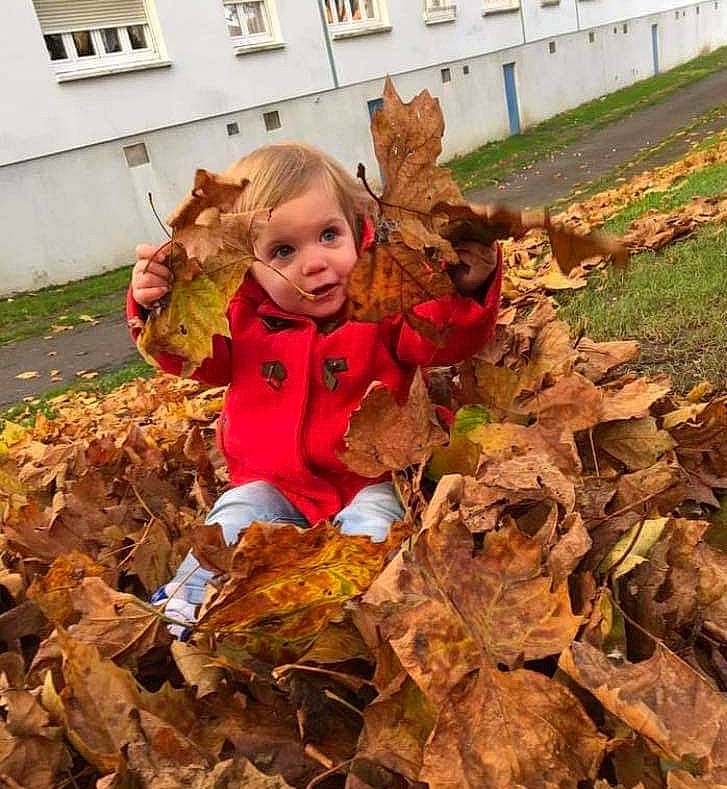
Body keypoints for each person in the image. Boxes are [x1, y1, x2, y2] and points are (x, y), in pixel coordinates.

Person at [127, 142, 502, 637]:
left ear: (356, 228)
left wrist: (461, 288)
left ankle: (349, 620)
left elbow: (443, 340)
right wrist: (157, 305)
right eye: (283, 251)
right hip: (272, 482)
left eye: (329, 235)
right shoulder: (241, 315)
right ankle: (186, 604)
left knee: (376, 532)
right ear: (246, 264)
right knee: (233, 521)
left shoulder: (385, 296)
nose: (315, 263)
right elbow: (188, 355)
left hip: (372, 476)